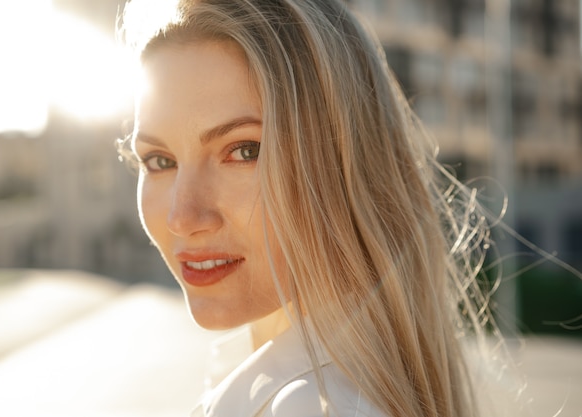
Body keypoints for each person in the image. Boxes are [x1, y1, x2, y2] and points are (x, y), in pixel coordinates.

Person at [117, 0, 501, 416]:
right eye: (159, 161)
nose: (182, 217)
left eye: (244, 150)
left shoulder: (307, 405)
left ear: (344, 164)